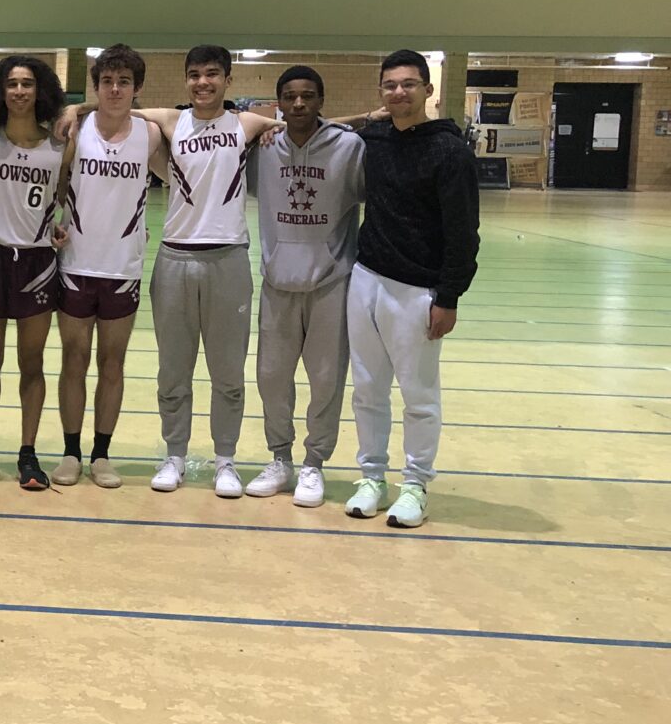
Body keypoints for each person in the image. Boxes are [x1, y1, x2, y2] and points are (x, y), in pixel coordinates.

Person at [65, 46, 285, 496]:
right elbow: (111, 102)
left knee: (228, 372)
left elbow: (312, 125)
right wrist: (73, 105)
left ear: (228, 78)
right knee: (173, 370)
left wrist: (375, 114)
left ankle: (226, 460)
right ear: (186, 80)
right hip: (174, 257)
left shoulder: (248, 124)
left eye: (212, 75)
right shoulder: (169, 121)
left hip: (228, 259)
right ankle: (175, 455)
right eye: (194, 75)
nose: (203, 83)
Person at [338, 50, 479, 528]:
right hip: (366, 279)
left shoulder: (450, 152)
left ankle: (415, 484)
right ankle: (371, 477)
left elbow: (464, 233)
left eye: (408, 84)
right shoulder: (374, 138)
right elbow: (319, 126)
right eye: (390, 85)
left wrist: (449, 296)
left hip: (418, 291)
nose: (399, 92)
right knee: (367, 389)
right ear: (380, 93)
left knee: (418, 395)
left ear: (428, 90)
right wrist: (365, 116)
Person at [246, 66, 364, 507]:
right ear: (278, 102)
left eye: (308, 96)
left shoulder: (349, 149)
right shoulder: (264, 149)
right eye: (290, 96)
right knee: (272, 376)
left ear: (321, 101)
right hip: (278, 281)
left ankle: (314, 462)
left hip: (331, 282)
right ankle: (281, 459)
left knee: (326, 378)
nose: (298, 104)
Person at [53, 45, 166, 488]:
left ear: (136, 89)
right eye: (106, 81)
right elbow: (54, 182)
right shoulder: (75, 131)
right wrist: (54, 226)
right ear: (96, 86)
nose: (114, 90)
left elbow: (184, 176)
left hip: (123, 268)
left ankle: (101, 455)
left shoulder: (151, 134)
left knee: (112, 364)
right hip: (76, 265)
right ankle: (70, 452)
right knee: (73, 360)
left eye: (123, 82)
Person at [0, 56, 68, 489]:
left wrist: (59, 227)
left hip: (37, 262)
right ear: (0, 91)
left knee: (32, 362)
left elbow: (64, 195)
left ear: (40, 90)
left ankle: (28, 453)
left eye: (28, 84)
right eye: (12, 84)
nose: (20, 91)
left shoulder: (61, 146)